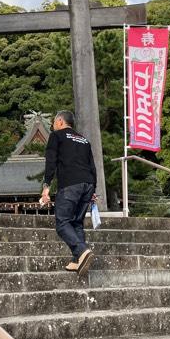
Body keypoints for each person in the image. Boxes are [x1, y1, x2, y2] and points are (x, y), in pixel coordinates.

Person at [40, 111, 96, 275]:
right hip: (88, 184)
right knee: (76, 222)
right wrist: (94, 189)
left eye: (53, 122)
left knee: (62, 222)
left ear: (59, 121)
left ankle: (82, 250)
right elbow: (92, 166)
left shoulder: (57, 136)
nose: (53, 125)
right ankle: (76, 260)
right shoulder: (84, 140)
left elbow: (51, 161)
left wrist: (46, 186)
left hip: (71, 184)